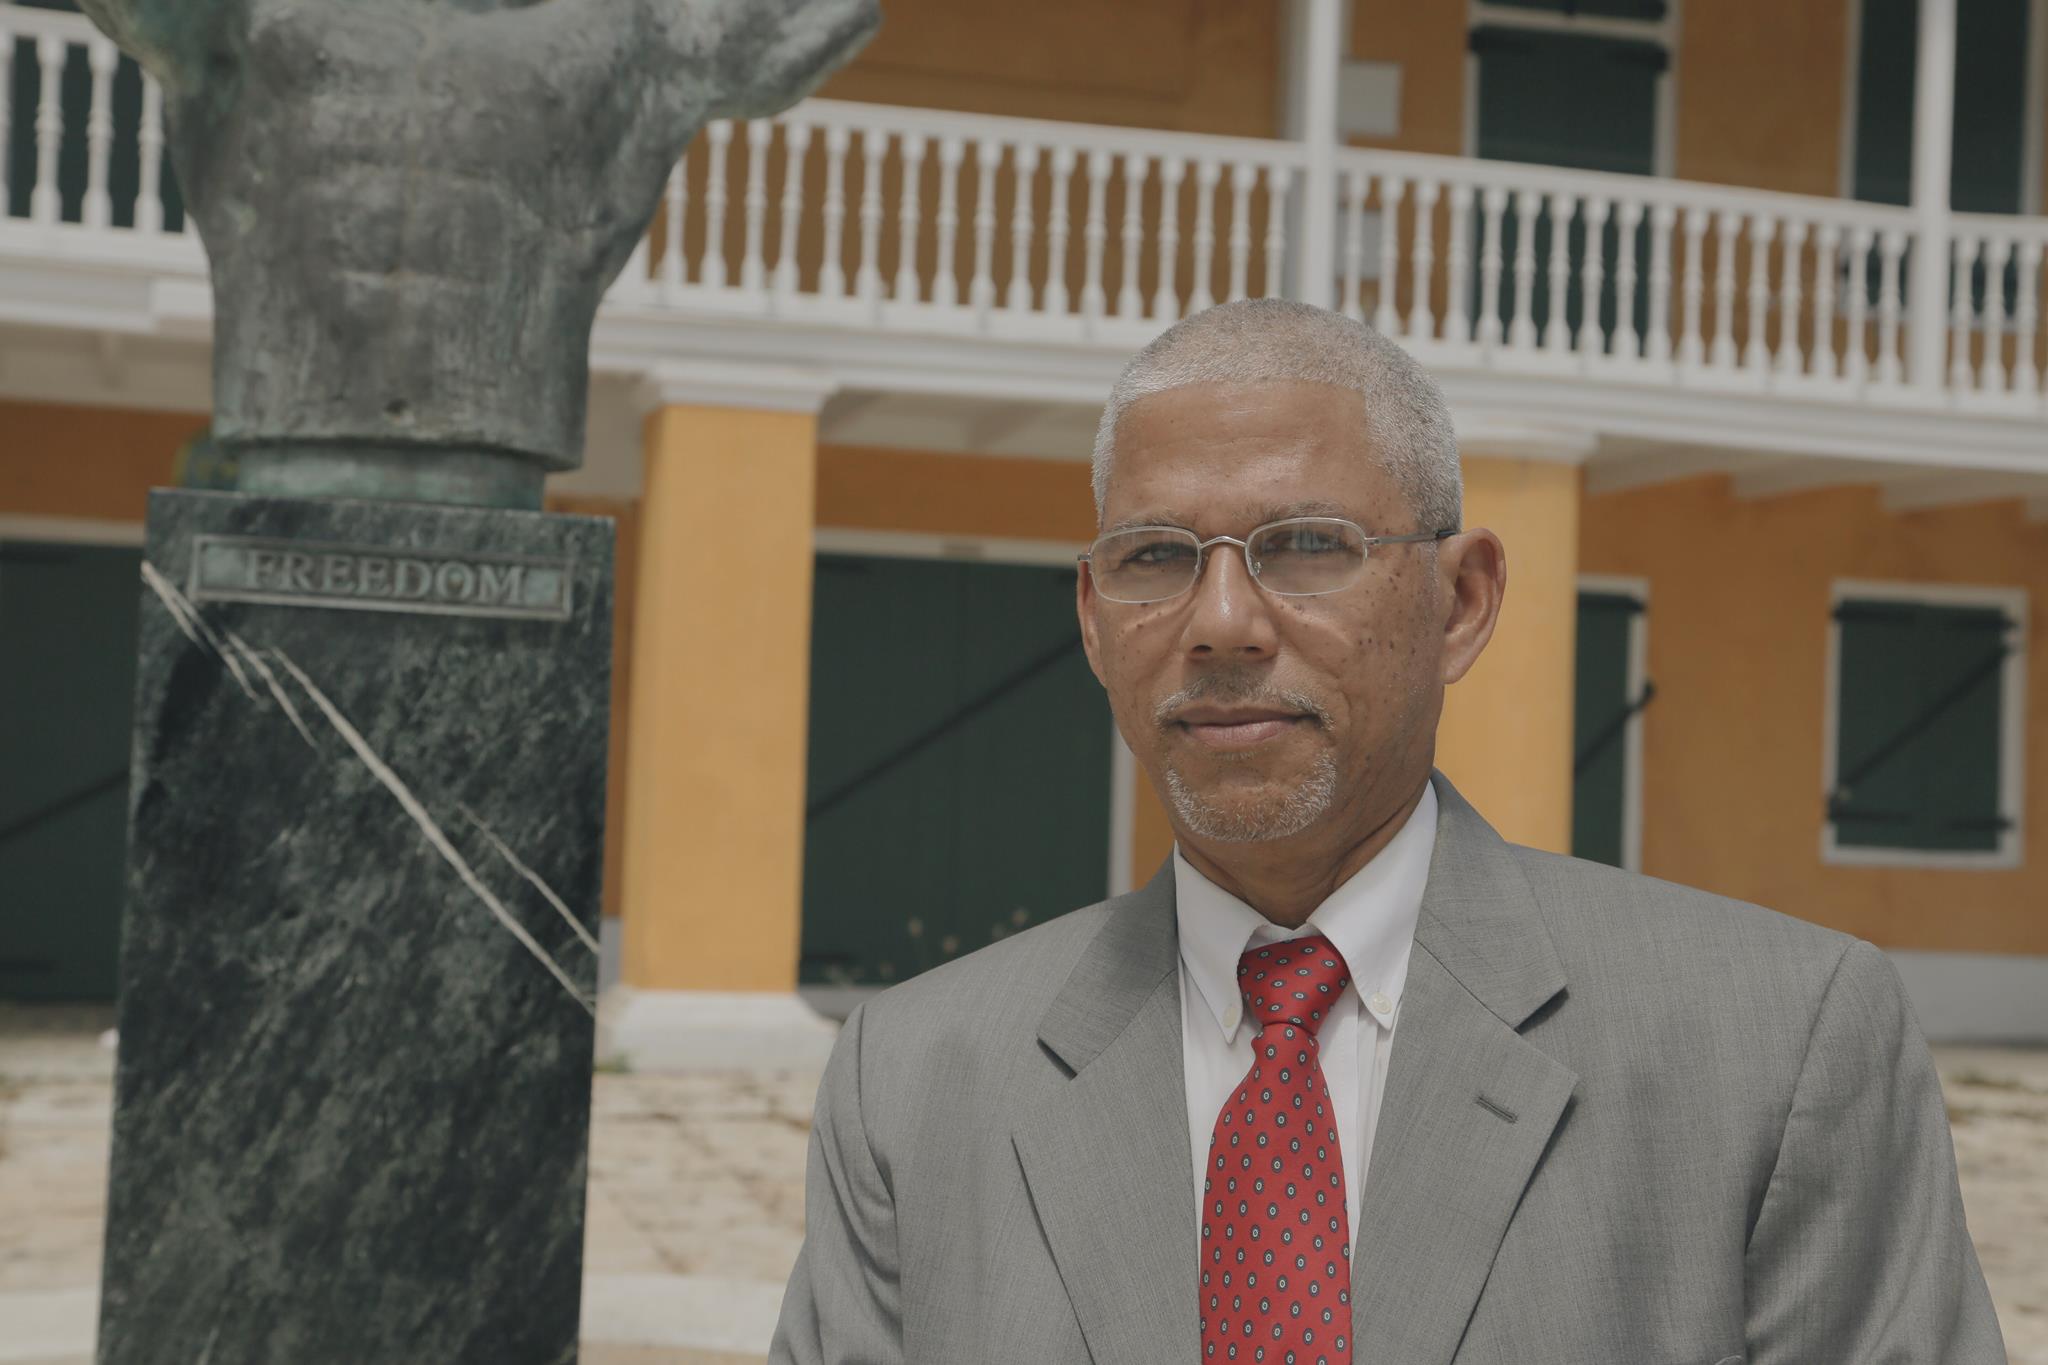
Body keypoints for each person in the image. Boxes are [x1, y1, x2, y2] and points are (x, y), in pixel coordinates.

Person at [767, 298, 2006, 1365]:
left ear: (1460, 602)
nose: (1221, 623)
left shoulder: (1779, 1046)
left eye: (1306, 546)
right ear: (1094, 623)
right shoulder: (913, 1081)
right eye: (1154, 557)